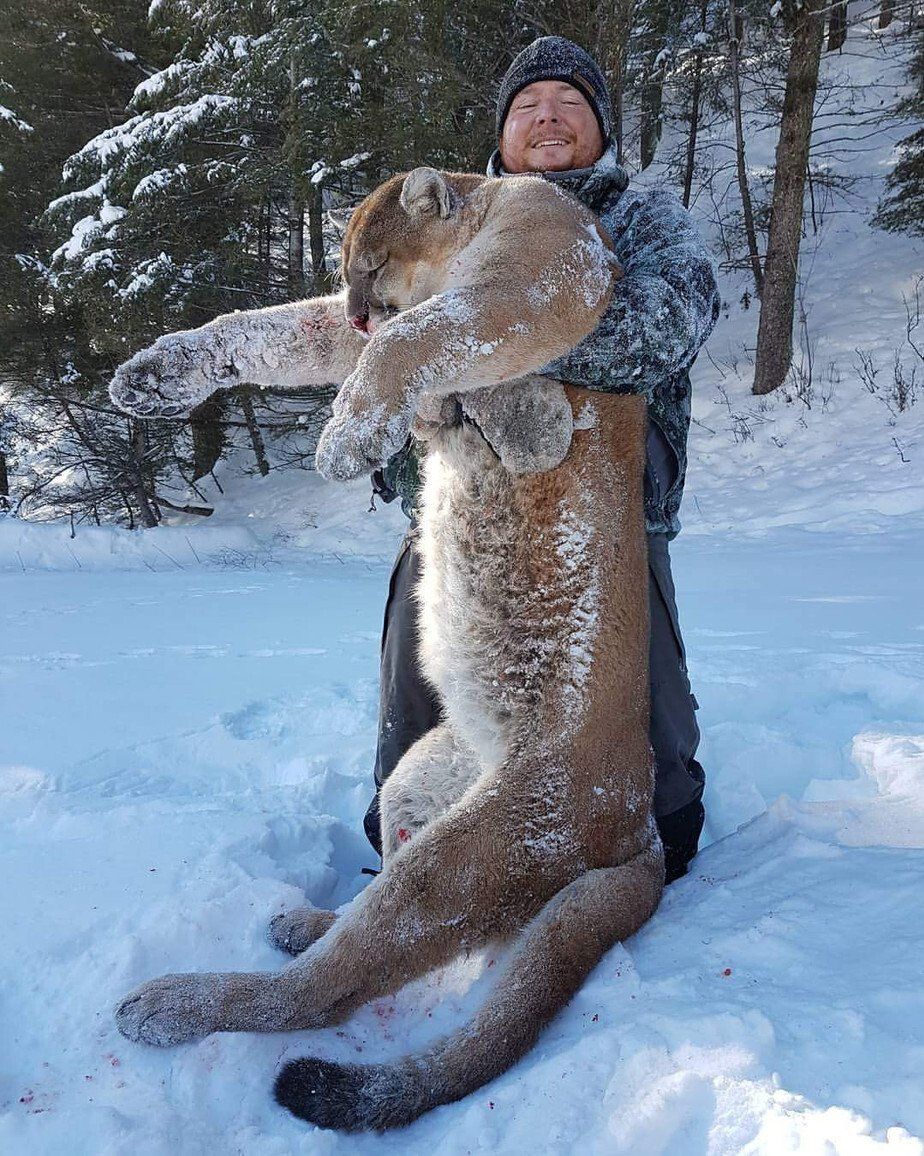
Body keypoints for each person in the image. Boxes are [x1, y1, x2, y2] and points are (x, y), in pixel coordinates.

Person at [364, 36, 721, 884]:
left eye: (569, 103)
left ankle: (659, 813)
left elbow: (668, 326)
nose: (548, 117)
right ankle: (408, 835)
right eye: (528, 106)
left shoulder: (642, 215)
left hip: (614, 517)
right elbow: (379, 344)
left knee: (658, 771)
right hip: (467, 505)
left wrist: (492, 334)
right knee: (423, 647)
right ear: (503, 132)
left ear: (600, 126)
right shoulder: (446, 222)